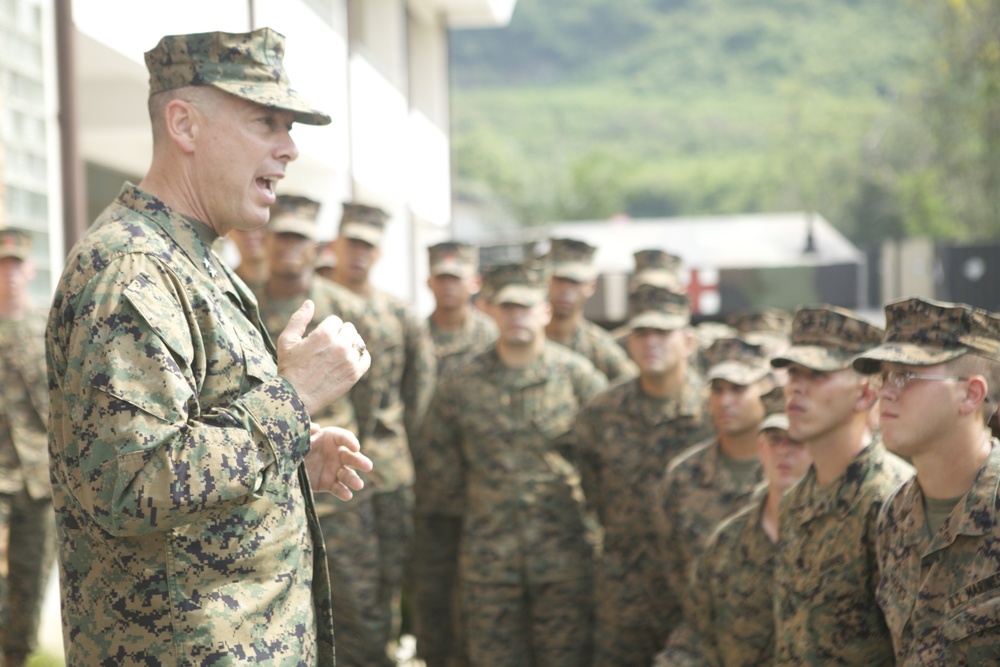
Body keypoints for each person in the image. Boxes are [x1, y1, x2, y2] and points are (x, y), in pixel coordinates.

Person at [45, 28, 374, 665]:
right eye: (266, 122)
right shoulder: (131, 270)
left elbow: (187, 449)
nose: (290, 149)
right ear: (184, 124)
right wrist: (292, 399)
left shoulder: (193, 261)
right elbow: (131, 483)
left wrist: (291, 455)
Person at [419, 262, 608, 667]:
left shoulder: (578, 378)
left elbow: (605, 463)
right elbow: (440, 470)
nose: (517, 316)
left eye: (526, 306)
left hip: (564, 560)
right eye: (507, 307)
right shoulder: (461, 383)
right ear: (490, 310)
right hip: (489, 565)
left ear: (545, 311)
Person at [852, 297, 1000, 664]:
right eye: (884, 375)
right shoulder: (896, 516)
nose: (885, 391)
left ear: (970, 394)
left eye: (906, 375)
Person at [574, 283, 712, 667]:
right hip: (624, 596)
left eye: (663, 333)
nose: (652, 342)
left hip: (692, 596)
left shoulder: (713, 413)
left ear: (687, 341)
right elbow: (591, 489)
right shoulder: (602, 412)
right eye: (641, 333)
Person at [768, 305, 913, 666]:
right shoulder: (796, 500)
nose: (796, 386)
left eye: (817, 374)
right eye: (793, 372)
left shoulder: (891, 500)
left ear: (865, 394)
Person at [328, 202, 437, 666]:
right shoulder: (319, 303)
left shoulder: (399, 313)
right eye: (351, 242)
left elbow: (420, 388)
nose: (358, 254)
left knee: (386, 584)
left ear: (380, 252)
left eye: (368, 246)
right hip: (330, 472)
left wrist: (393, 441)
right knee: (338, 588)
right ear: (335, 243)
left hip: (388, 471)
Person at [654, 391, 812, 667]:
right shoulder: (728, 542)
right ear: (761, 448)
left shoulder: (839, 531)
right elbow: (698, 633)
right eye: (775, 440)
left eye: (797, 441)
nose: (784, 451)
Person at [654, 336, 773, 645]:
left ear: (767, 389)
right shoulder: (683, 476)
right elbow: (672, 563)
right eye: (717, 390)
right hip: (707, 635)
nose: (725, 401)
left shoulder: (788, 471)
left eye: (738, 389)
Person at [411, 240, 496, 667]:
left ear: (474, 283)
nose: (448, 287)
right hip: (427, 493)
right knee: (432, 598)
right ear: (429, 282)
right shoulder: (415, 335)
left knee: (480, 604)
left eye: (456, 279)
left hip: (479, 495)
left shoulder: (491, 339)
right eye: (441, 278)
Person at [0, 227, 55, 667]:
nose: (9, 273)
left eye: (16, 264)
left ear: (29, 268)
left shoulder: (48, 329)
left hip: (40, 480)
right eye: (2, 264)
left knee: (31, 578)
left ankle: (16, 655)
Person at [543, 237, 637, 382]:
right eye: (559, 280)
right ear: (546, 280)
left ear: (591, 286)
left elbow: (632, 385)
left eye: (575, 282)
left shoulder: (600, 348)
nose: (565, 290)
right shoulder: (527, 340)